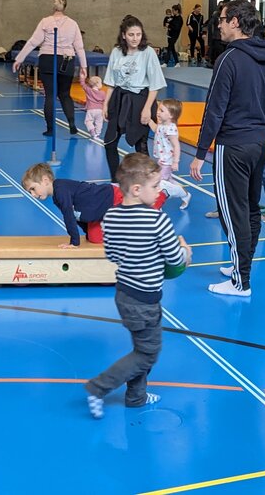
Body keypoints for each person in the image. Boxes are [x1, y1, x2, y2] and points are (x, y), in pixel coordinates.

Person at [85, 153, 191, 419]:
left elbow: (112, 254)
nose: (159, 192)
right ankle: (99, 387)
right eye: (155, 186)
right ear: (136, 189)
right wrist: (185, 253)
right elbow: (175, 259)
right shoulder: (157, 220)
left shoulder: (111, 216)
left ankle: (136, 396)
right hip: (145, 300)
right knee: (147, 354)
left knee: (142, 347)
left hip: (124, 294)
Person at [189, 0, 265, 297]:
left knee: (233, 212)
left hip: (234, 145)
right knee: (251, 209)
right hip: (259, 144)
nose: (218, 25)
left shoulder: (229, 58)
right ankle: (242, 264)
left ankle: (241, 281)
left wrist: (200, 153)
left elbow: (214, 109)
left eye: (222, 20)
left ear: (235, 22)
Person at [12, 0, 88, 136]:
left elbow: (33, 42)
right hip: (66, 60)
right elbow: (79, 47)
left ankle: (50, 129)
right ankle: (72, 123)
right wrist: (84, 66)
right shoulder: (73, 24)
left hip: (48, 59)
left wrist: (19, 58)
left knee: (50, 95)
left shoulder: (45, 21)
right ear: (65, 7)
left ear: (54, 7)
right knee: (65, 94)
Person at [102, 15, 166, 179]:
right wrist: (105, 104)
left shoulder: (148, 52)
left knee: (140, 145)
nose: (135, 38)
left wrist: (147, 109)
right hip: (119, 98)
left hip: (140, 99)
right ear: (124, 35)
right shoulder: (116, 52)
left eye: (138, 34)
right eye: (131, 35)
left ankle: (148, 181)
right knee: (109, 142)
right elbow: (111, 81)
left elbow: (155, 85)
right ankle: (115, 181)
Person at [22, 161, 119, 246]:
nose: (33, 194)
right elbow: (76, 215)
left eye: (33, 189)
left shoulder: (61, 189)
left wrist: (74, 242)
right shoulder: (56, 198)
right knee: (94, 238)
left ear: (45, 180)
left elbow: (69, 216)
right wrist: (87, 232)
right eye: (30, 192)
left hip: (114, 196)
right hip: (98, 212)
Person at [148, 98, 190, 209]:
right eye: (158, 109)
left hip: (167, 161)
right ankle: (185, 194)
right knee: (169, 180)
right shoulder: (162, 124)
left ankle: (158, 205)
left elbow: (176, 146)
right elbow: (156, 129)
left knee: (160, 182)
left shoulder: (171, 129)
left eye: (161, 111)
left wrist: (175, 161)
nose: (158, 112)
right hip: (161, 159)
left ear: (171, 115)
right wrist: (149, 121)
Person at [83, 75, 107, 140]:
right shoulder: (103, 93)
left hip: (91, 109)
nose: (101, 84)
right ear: (97, 84)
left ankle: (92, 129)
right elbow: (105, 101)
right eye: (101, 83)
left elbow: (83, 84)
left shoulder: (89, 91)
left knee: (88, 121)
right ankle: (97, 133)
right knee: (99, 122)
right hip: (100, 110)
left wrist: (82, 77)